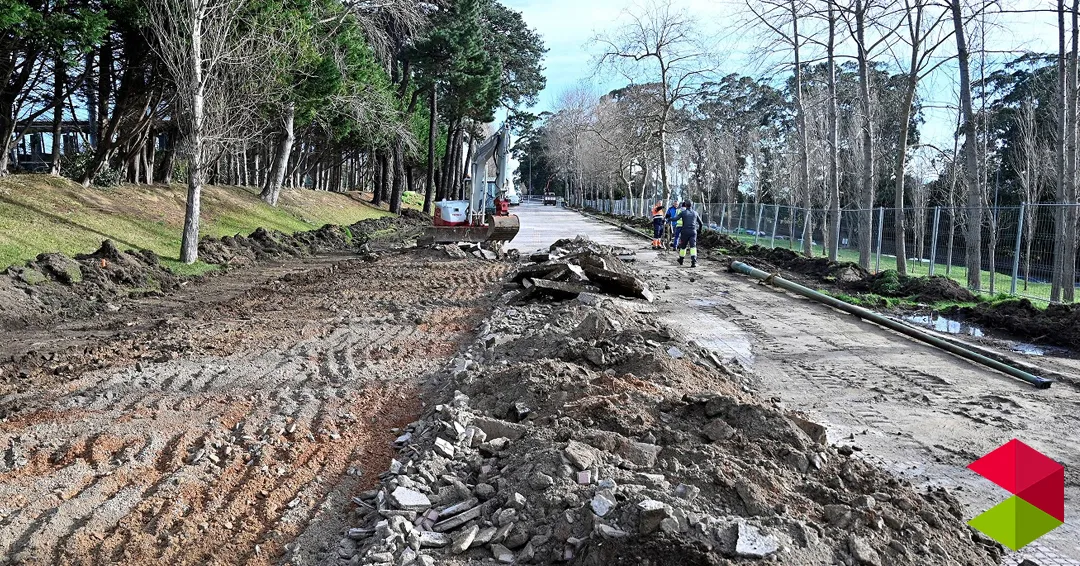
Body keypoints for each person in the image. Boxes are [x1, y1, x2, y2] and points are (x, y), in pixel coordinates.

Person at [675, 200, 702, 267]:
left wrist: (668, 219)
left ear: (686, 205)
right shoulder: (695, 213)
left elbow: (675, 218)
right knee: (693, 246)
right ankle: (693, 262)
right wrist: (699, 230)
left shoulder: (683, 213)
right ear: (692, 205)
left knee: (683, 246)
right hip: (693, 231)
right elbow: (701, 223)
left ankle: (681, 260)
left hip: (685, 232)